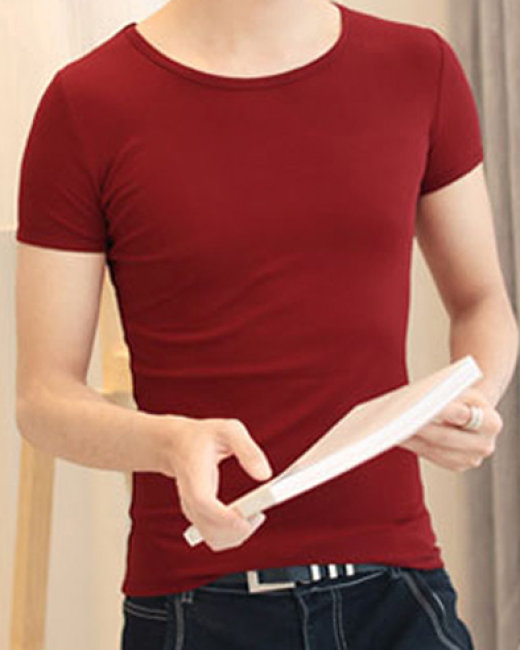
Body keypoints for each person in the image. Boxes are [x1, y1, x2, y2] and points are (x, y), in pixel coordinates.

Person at [15, 0, 518, 648]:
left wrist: (473, 403)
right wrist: (169, 444)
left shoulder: (420, 67)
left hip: (400, 595)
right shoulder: (86, 103)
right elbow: (43, 398)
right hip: (194, 603)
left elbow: (482, 302)